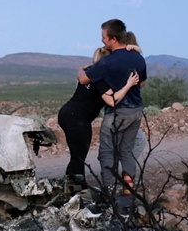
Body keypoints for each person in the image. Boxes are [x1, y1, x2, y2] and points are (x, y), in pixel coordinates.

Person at [78, 19, 147, 195]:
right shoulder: (138, 57)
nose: (102, 40)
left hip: (117, 113)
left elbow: (84, 79)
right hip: (136, 110)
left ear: (113, 39)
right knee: (127, 151)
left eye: (104, 37)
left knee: (107, 152)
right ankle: (128, 189)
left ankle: (109, 191)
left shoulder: (107, 62)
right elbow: (143, 83)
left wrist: (84, 69)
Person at [59, 43, 141, 191]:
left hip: (68, 114)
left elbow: (81, 74)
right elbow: (112, 100)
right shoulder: (101, 79)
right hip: (77, 119)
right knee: (79, 156)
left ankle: (72, 188)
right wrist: (128, 84)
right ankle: (77, 190)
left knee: (77, 155)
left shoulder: (89, 72)